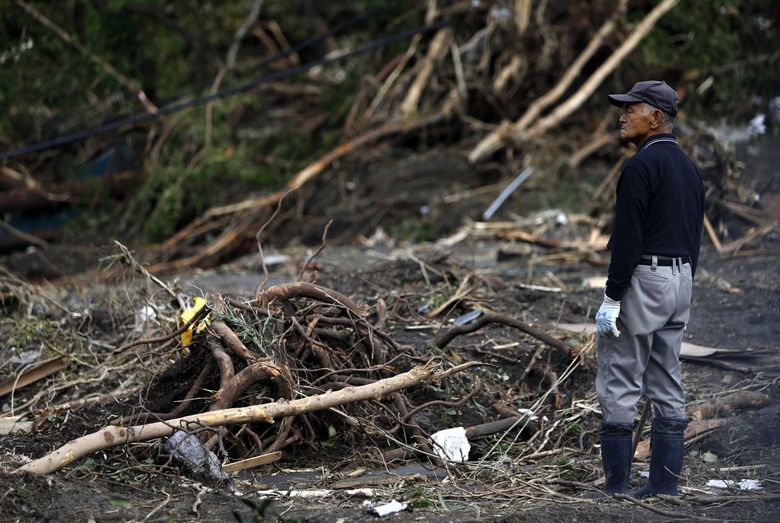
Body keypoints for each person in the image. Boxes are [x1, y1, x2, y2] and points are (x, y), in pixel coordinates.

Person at [593, 80, 704, 498]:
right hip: (681, 279)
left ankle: (617, 488)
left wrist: (611, 298)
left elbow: (627, 241)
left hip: (646, 277)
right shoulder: (688, 168)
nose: (622, 115)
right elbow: (693, 237)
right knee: (666, 378)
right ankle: (664, 487)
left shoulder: (640, 166)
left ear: (656, 118)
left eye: (631, 108)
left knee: (620, 375)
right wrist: (683, 280)